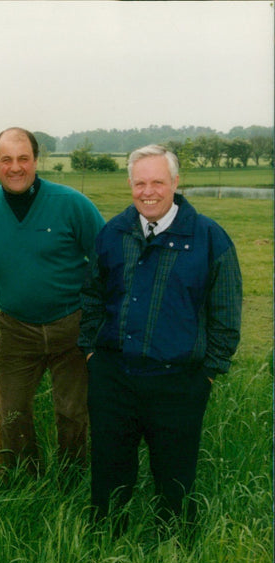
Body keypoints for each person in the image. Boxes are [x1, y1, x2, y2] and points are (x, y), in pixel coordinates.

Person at [78, 144, 242, 532]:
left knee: (174, 477)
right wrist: (91, 353)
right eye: (140, 183)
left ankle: (174, 550)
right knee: (109, 472)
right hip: (114, 378)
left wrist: (208, 373)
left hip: (178, 383)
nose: (148, 191)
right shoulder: (113, 232)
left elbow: (226, 313)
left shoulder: (209, 238)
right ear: (130, 185)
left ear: (175, 183)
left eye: (157, 182)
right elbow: (92, 295)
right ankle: (105, 543)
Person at [0, 127, 104, 477]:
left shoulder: (71, 204)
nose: (15, 167)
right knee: (13, 411)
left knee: (72, 411)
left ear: (35, 160)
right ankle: (23, 478)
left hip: (71, 326)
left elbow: (106, 259)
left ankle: (72, 476)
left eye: (23, 159)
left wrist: (98, 318)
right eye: (6, 160)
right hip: (18, 330)